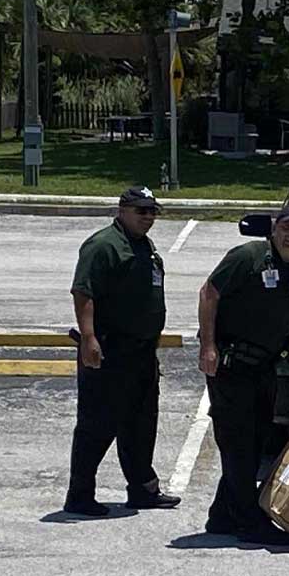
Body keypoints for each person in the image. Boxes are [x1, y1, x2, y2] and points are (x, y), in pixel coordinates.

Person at [198, 203, 289, 545]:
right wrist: (208, 346)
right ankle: (249, 521)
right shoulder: (248, 257)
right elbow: (209, 294)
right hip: (230, 365)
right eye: (286, 227)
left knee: (254, 442)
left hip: (266, 369)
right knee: (238, 442)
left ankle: (222, 516)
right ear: (274, 227)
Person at [65, 186, 180, 516]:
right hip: (110, 350)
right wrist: (89, 339)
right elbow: (83, 292)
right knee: (98, 425)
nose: (148, 217)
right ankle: (80, 494)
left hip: (141, 351)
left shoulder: (143, 245)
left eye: (152, 212)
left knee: (141, 423)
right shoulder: (103, 246)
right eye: (141, 211)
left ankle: (143, 489)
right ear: (122, 210)